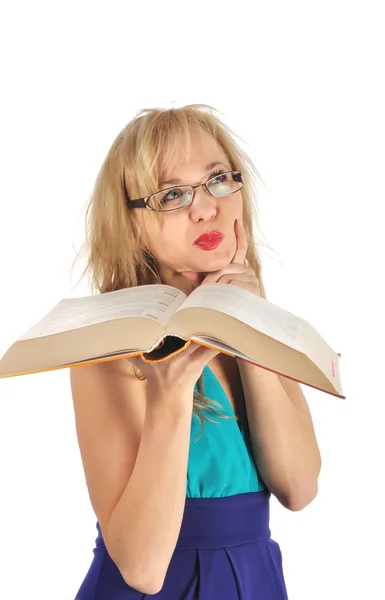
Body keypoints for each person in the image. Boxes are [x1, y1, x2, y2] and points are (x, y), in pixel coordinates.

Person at [70, 104, 322, 599]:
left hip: (257, 582)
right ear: (131, 222)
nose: (206, 208)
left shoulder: (261, 321)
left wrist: (246, 328)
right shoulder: (108, 348)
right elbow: (141, 569)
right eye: (172, 194)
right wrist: (171, 394)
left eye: (218, 180)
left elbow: (298, 488)